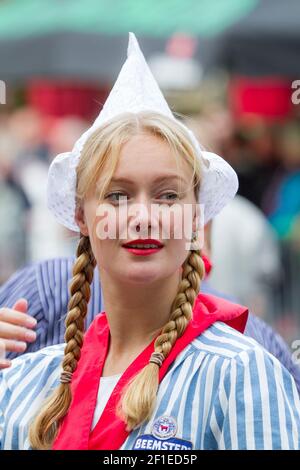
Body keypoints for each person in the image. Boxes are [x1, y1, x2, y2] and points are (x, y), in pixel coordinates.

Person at [0, 34, 299, 450]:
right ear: (81, 216)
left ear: (196, 217)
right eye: (117, 195)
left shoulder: (241, 376)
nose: (143, 217)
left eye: (168, 195)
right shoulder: (23, 384)